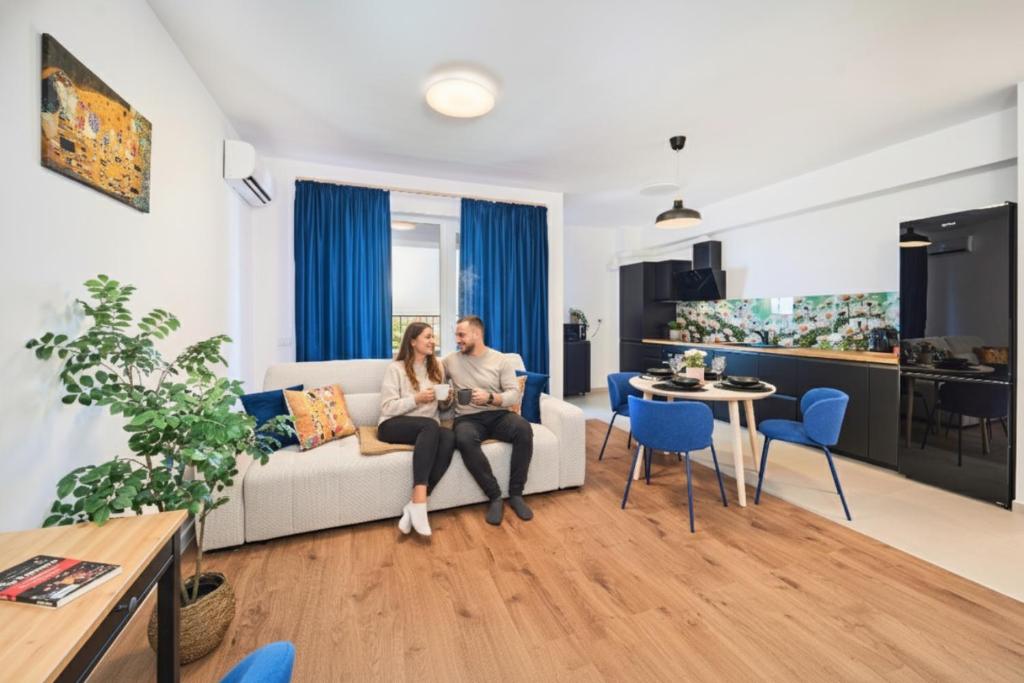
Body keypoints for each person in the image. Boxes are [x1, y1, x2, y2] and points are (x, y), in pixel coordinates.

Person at [444, 315, 534, 526]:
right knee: (463, 438)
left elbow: (514, 394)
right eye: (456, 335)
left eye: (461, 335)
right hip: (467, 418)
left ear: (477, 334)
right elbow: (435, 384)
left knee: (523, 429)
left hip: (498, 414)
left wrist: (491, 398)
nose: (457, 340)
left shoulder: (500, 360)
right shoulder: (449, 361)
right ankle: (494, 496)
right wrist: (445, 399)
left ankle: (516, 494)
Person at [379, 322, 455, 537]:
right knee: (431, 426)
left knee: (449, 437)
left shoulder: (437, 367)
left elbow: (441, 409)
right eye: (428, 337)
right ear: (413, 341)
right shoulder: (396, 368)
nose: (433, 341)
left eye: (434, 337)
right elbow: (387, 407)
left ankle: (415, 503)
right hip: (392, 425)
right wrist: (416, 399)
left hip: (426, 429)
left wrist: (447, 400)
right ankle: (420, 504)